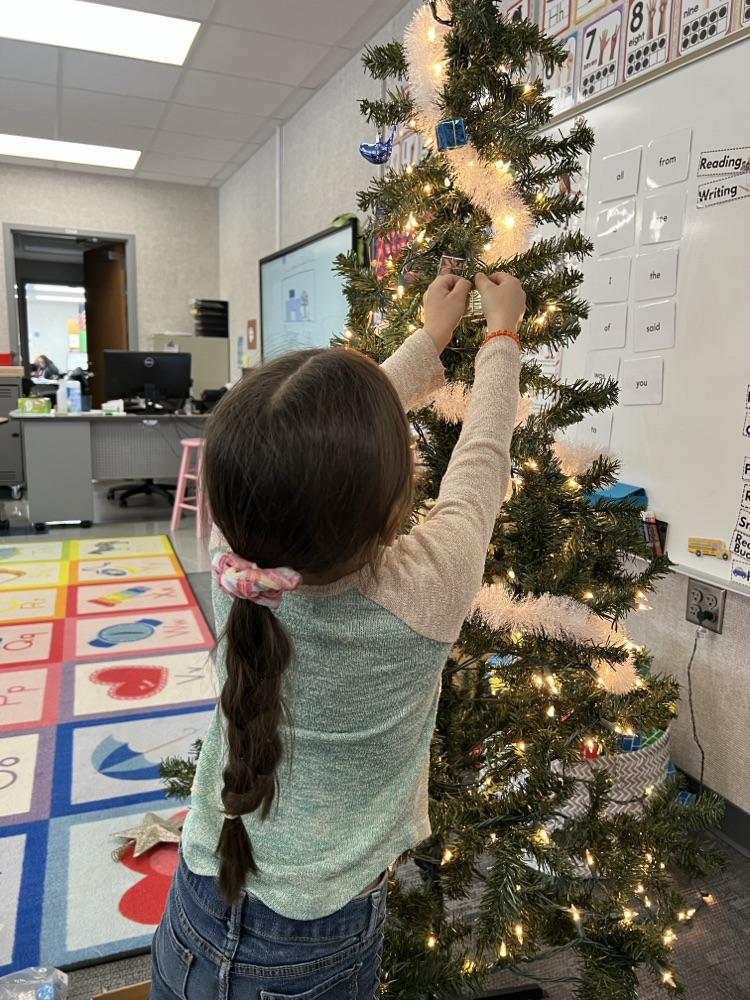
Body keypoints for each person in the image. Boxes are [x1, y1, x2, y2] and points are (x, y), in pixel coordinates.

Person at [149, 271, 526, 1000]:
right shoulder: (425, 590)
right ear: (391, 513)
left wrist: (427, 343)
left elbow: (305, 456)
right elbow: (481, 460)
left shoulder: (241, 562)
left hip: (194, 905)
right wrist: (500, 339)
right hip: (316, 947)